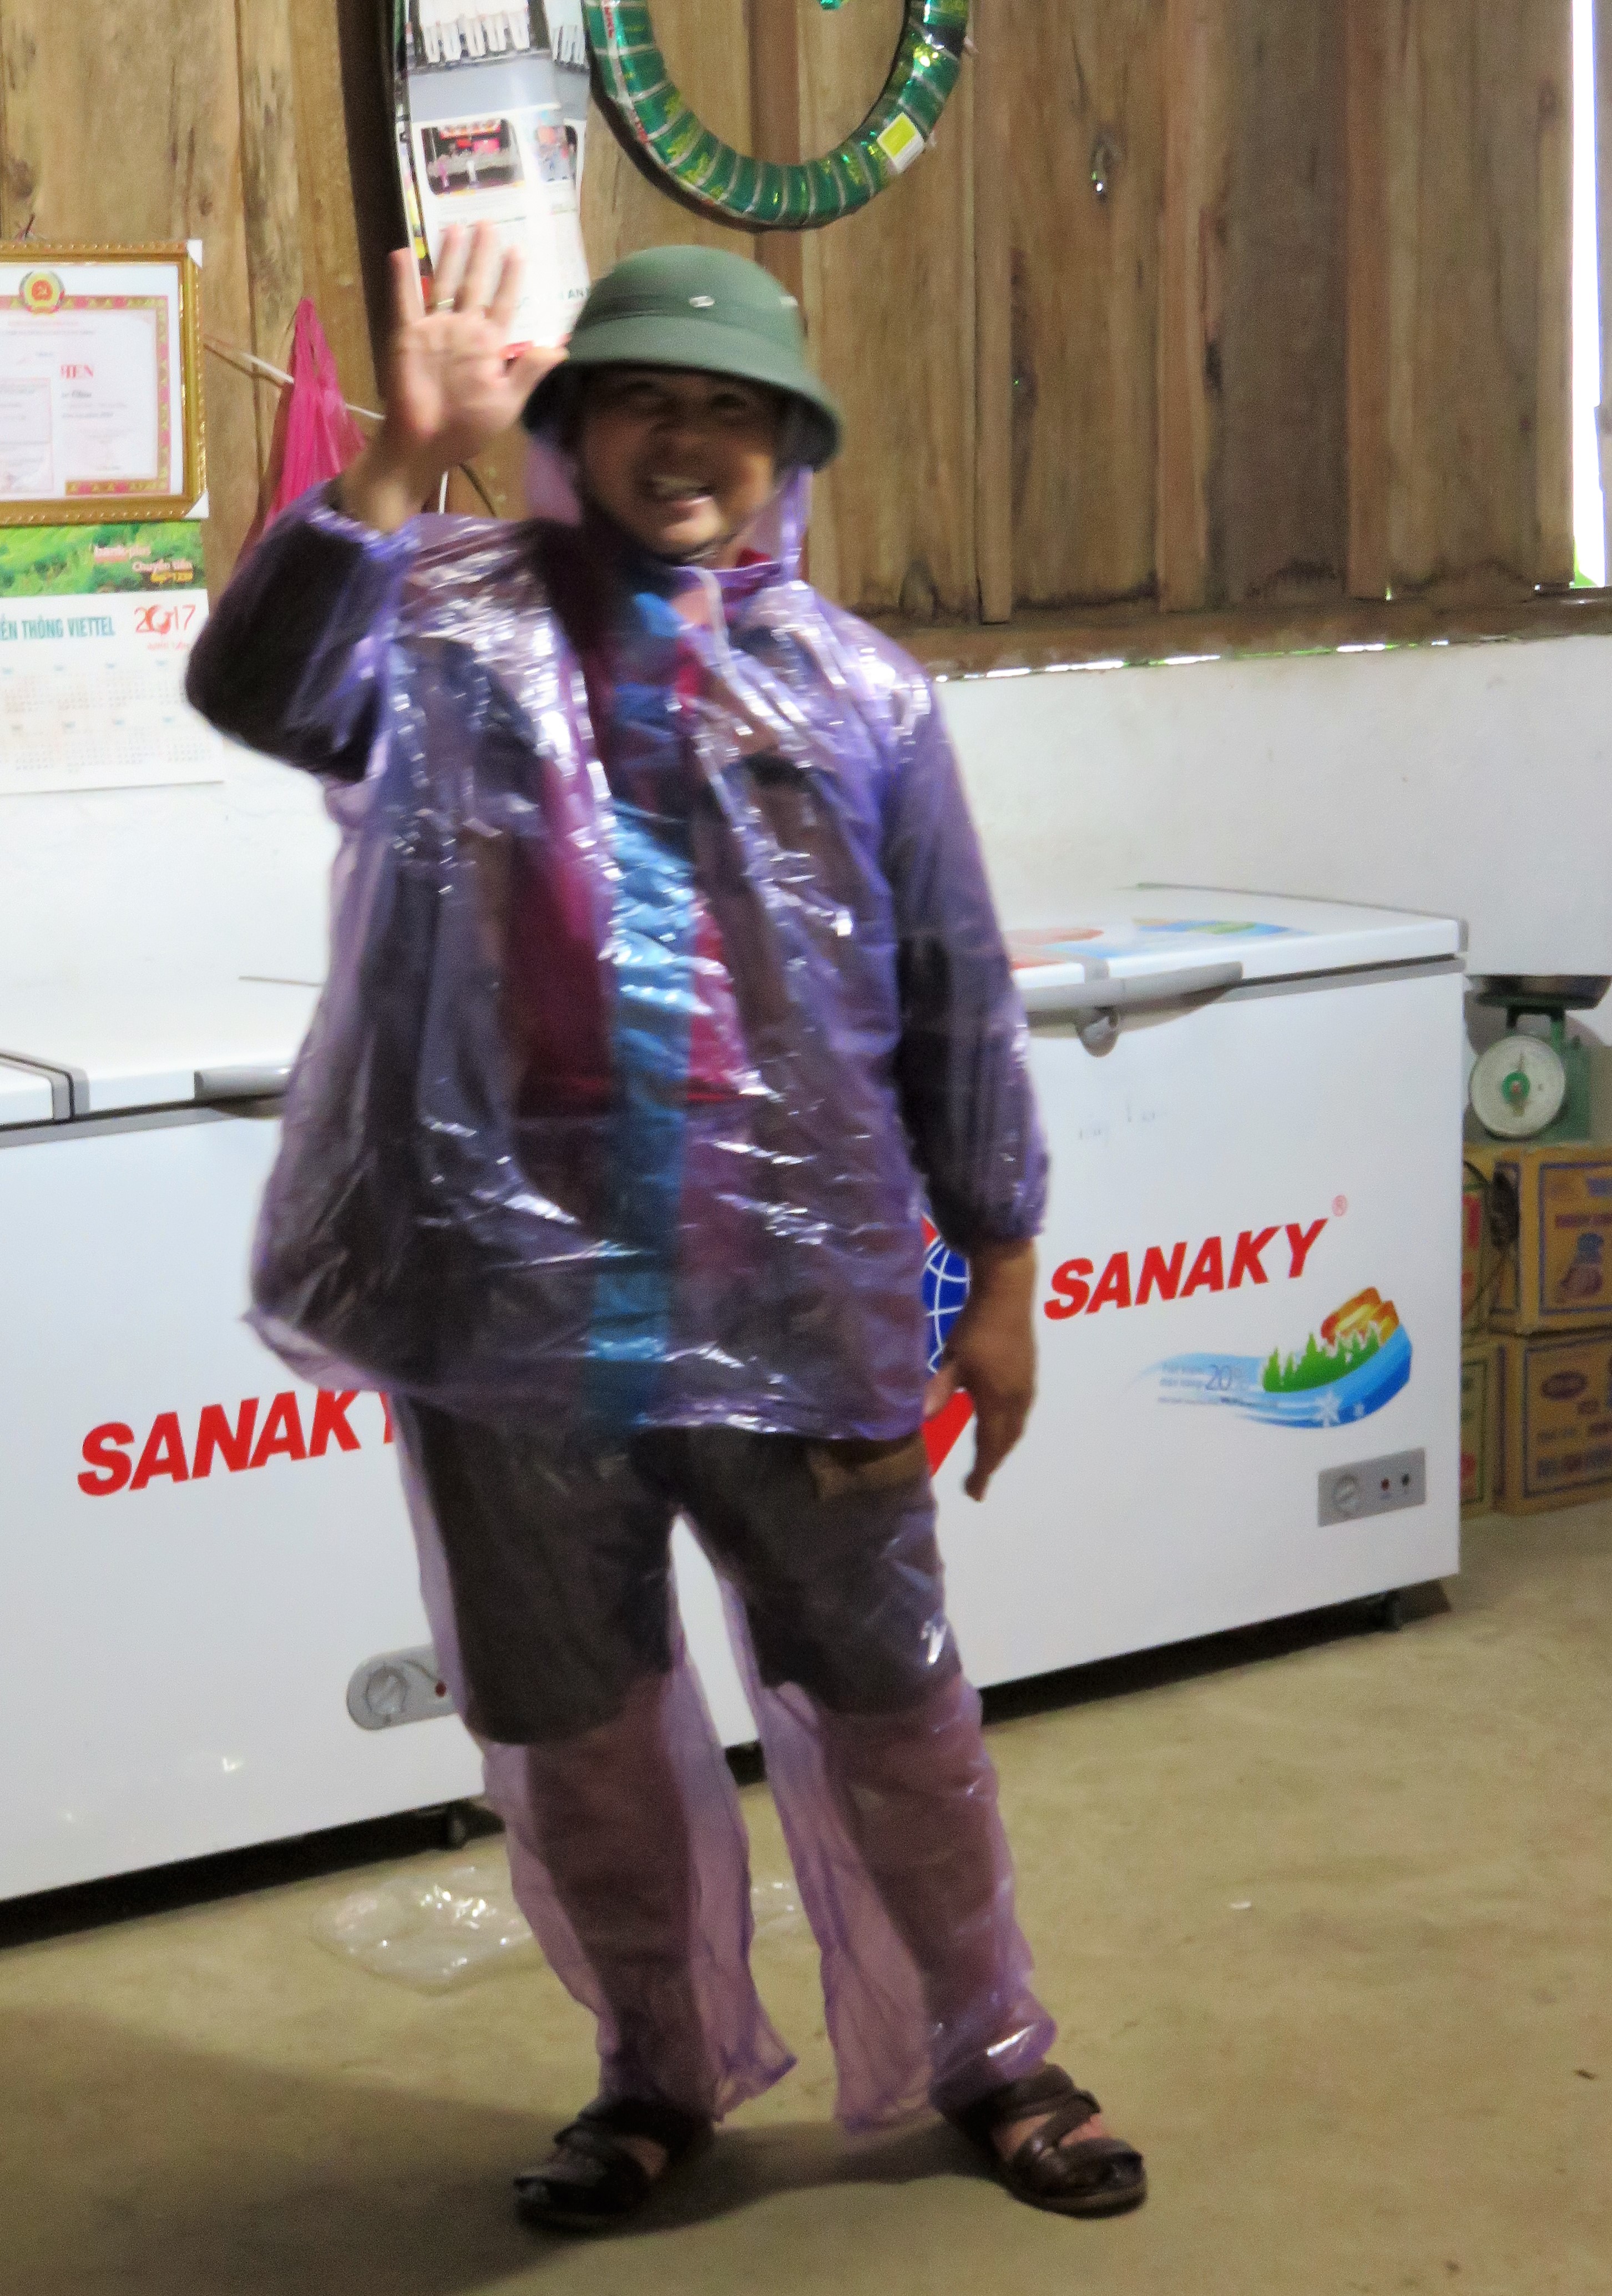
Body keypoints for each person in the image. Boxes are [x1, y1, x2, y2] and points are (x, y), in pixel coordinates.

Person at [187, 224, 1145, 2231]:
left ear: (790, 444)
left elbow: (951, 993)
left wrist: (1002, 1275)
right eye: (641, 401)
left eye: (731, 408)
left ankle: (990, 2051)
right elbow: (259, 689)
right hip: (505, 1318)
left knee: (890, 1705)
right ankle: (657, 2068)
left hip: (800, 1301)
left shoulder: (861, 692)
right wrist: (392, 463)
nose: (685, 441)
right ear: (572, 429)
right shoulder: (447, 628)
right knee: (577, 1728)